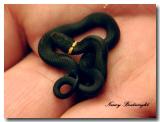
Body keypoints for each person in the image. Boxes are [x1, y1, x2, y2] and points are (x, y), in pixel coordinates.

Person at [4, 4, 156, 118]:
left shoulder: (91, 46)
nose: (55, 36)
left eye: (59, 40)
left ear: (68, 46)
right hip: (81, 66)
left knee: (87, 59)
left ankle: (85, 83)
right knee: (87, 58)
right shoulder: (87, 47)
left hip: (82, 70)